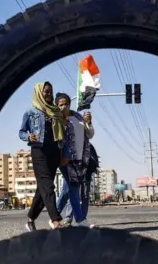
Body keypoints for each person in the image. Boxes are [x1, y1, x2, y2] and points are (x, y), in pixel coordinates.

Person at [19, 82, 68, 231]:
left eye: (50, 92)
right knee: (48, 185)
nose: (48, 94)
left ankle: (30, 219)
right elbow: (21, 132)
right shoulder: (30, 112)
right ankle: (55, 220)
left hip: (54, 151)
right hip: (39, 152)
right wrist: (29, 136)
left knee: (42, 189)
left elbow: (62, 132)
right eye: (45, 92)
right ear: (39, 92)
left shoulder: (56, 111)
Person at [54, 92, 94, 227]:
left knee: (67, 190)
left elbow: (89, 134)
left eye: (66, 104)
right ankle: (81, 220)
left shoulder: (77, 116)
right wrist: (62, 120)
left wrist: (88, 123)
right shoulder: (56, 118)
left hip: (80, 159)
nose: (63, 107)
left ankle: (54, 216)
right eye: (60, 104)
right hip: (65, 158)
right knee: (73, 188)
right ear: (56, 105)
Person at [58, 143, 98, 224]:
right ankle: (59, 216)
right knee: (68, 192)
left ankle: (81, 219)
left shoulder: (89, 147)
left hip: (85, 174)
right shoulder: (71, 144)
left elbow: (94, 162)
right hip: (73, 172)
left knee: (83, 195)